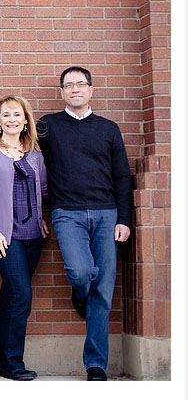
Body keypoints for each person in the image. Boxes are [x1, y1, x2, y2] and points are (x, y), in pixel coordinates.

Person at [38, 66, 132, 381]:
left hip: (106, 213)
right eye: (69, 85)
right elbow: (36, 170)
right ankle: (79, 294)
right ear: (62, 92)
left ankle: (95, 364)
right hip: (68, 212)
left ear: (91, 90)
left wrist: (124, 219)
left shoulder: (108, 128)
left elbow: (121, 176)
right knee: (80, 273)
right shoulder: (48, 126)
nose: (75, 89)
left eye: (81, 84)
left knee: (103, 291)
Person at [0, 95, 49, 381]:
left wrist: (41, 220)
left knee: (11, 296)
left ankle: (2, 363)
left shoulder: (35, 155)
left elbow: (43, 189)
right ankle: (14, 363)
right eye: (6, 115)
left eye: (17, 114)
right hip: (5, 236)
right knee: (21, 294)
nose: (12, 119)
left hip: (33, 237)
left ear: (25, 120)